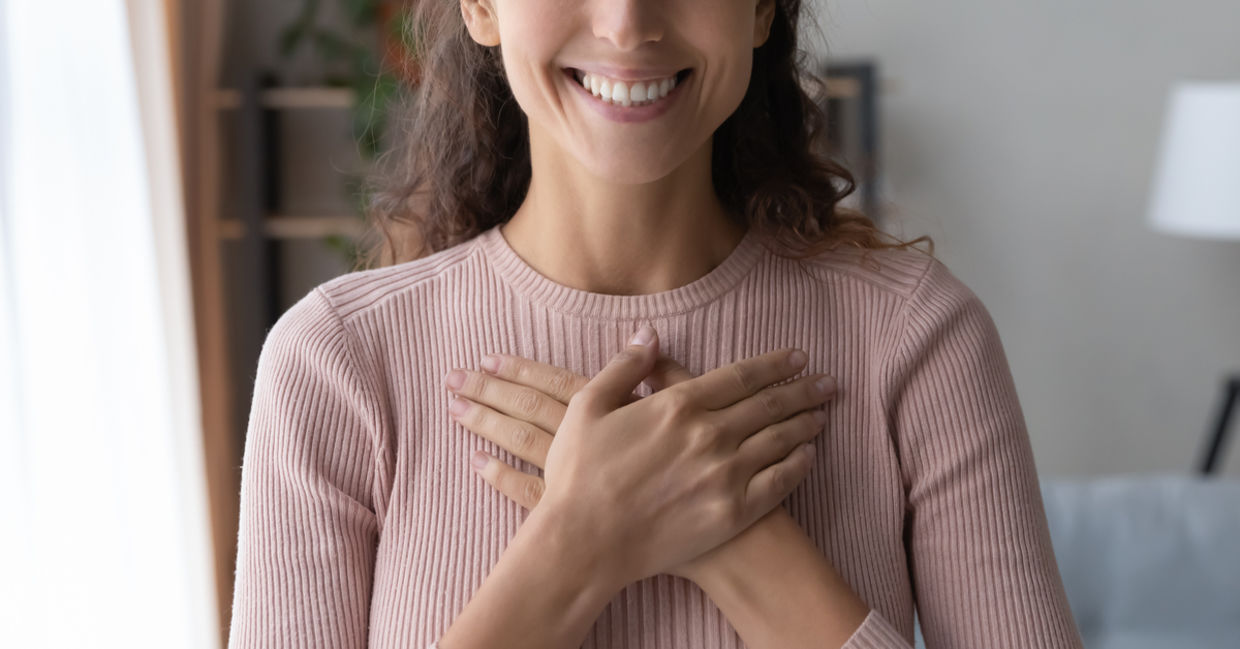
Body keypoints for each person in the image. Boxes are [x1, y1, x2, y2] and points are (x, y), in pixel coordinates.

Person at [226, 0, 1085, 647]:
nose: (628, 23)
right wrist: (579, 543)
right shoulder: (337, 362)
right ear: (482, 6)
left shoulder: (918, 337)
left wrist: (742, 547)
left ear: (760, 9)